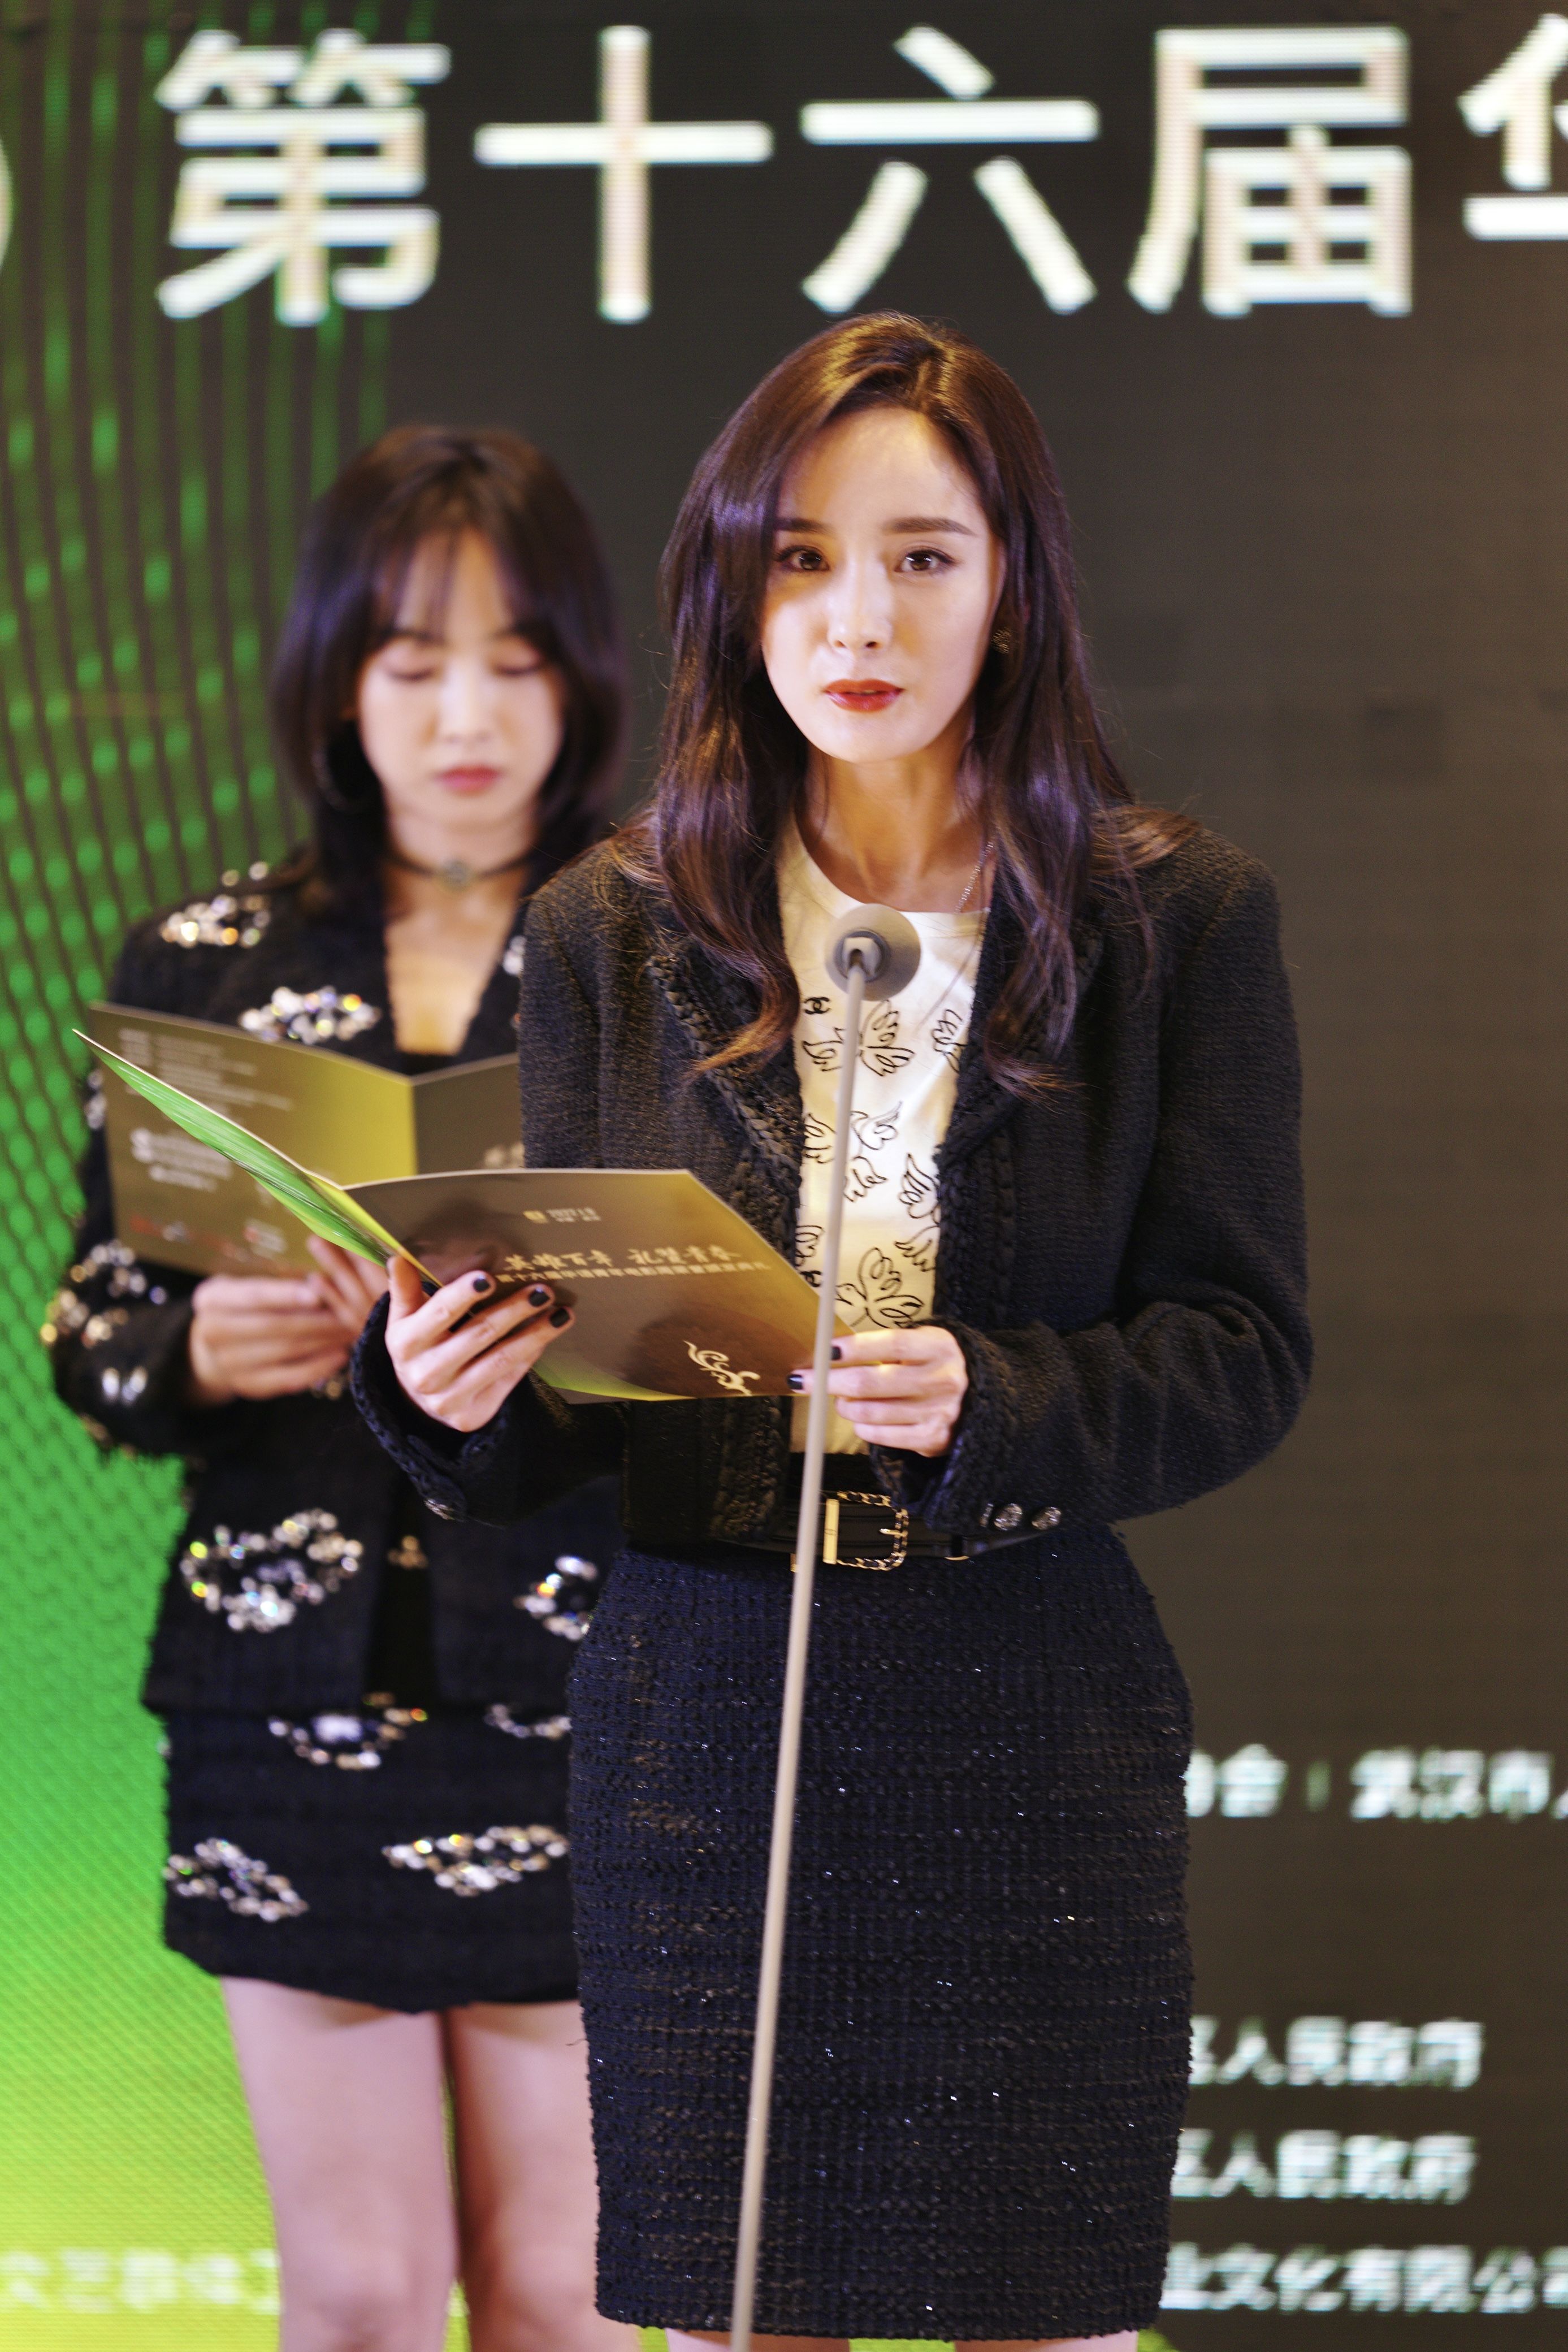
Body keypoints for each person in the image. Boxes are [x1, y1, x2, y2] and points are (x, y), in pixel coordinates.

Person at [352, 320, 1312, 2351]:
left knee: (1043, 2315)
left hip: (1026, 1726)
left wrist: (1000, 1396)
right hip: (706, 1726)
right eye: (799, 558)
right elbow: (583, 1376)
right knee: (735, 2310)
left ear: (1014, 584)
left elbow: (1242, 1344)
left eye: (921, 557)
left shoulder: (1176, 921)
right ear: (732, 584)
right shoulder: (616, 921)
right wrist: (446, 1390)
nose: (857, 617)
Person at [47, 426, 638, 2352]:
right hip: (279, 1689)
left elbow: (742, 1334)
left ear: (583, 677)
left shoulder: (670, 956)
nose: (466, 717)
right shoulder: (205, 961)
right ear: (334, 678)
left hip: (585, 1691)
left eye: (516, 661)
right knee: (365, 2293)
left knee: (562, 2293)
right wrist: (194, 1347)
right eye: (411, 661)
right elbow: (92, 1318)